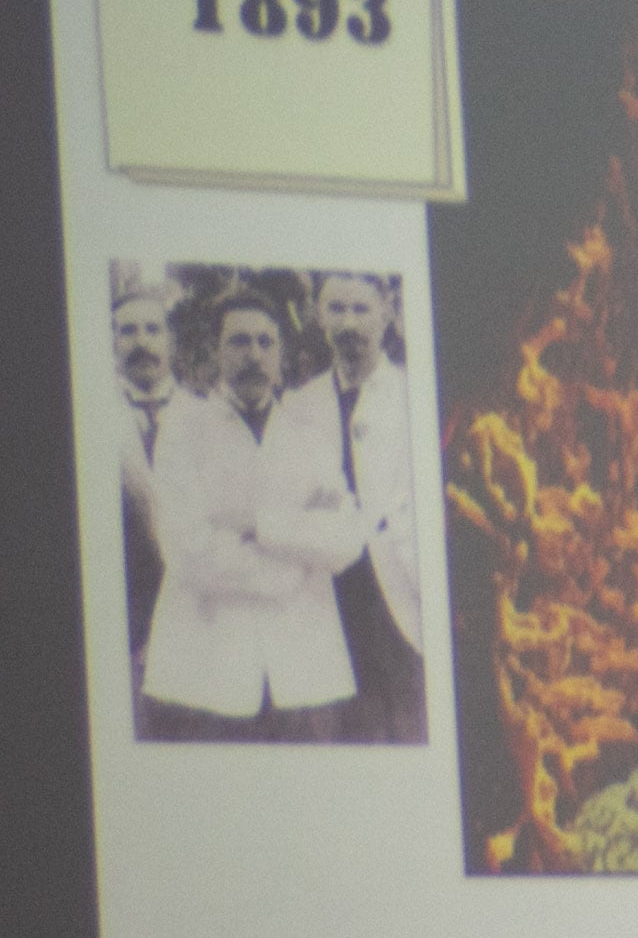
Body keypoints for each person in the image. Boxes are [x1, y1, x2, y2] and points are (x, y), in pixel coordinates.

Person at [140, 287, 362, 740]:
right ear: (216, 352)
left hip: (304, 671)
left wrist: (264, 529)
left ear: (282, 353)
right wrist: (294, 566)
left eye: (266, 342)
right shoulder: (183, 432)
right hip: (207, 672)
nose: (254, 356)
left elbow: (346, 538)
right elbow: (187, 553)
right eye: (239, 342)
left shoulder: (311, 437)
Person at [287, 272, 426, 743]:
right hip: (330, 598)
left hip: (396, 594)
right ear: (321, 317)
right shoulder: (300, 406)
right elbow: (295, 494)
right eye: (337, 309)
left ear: (387, 313)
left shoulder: (413, 395)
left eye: (361, 309)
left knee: (405, 727)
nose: (349, 322)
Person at [111, 274, 177, 674]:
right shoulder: (91, 421)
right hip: (126, 623)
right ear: (113, 341)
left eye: (153, 330)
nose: (142, 343)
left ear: (170, 340)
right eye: (128, 331)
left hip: (197, 622)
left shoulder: (205, 415)